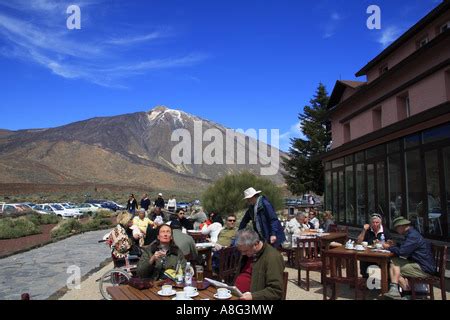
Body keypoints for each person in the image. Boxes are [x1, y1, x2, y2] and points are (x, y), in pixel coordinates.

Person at [382, 217, 436, 300]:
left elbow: (402, 252)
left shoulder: (413, 236)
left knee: (394, 266)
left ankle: (400, 291)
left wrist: (389, 248)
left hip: (424, 268)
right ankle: (404, 292)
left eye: (396, 228)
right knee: (394, 264)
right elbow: (406, 248)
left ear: (401, 226)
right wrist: (395, 245)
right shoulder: (412, 234)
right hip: (421, 264)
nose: (396, 230)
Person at [233, 229, 285, 300]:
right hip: (237, 295)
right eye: (241, 251)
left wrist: (253, 296)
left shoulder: (273, 257)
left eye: (245, 251)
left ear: (256, 244)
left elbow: (276, 291)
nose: (243, 253)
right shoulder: (248, 253)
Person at [357, 213, 392, 277]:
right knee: (363, 260)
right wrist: (364, 230)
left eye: (377, 222)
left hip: (381, 255)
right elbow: (359, 241)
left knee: (383, 263)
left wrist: (383, 244)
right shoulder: (367, 231)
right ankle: (367, 278)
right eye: (373, 222)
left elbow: (390, 243)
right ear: (370, 223)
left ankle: (382, 280)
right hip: (368, 254)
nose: (375, 224)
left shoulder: (385, 231)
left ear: (380, 223)